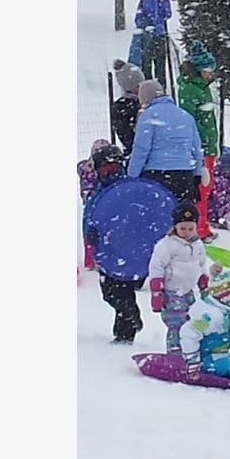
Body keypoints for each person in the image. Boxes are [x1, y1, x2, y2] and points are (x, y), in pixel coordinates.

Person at [82, 143, 146, 343]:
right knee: (110, 293)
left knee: (122, 289)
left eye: (113, 167)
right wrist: (91, 233)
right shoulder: (101, 191)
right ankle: (129, 315)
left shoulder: (128, 188)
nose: (109, 172)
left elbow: (140, 216)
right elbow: (91, 215)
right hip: (107, 251)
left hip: (126, 250)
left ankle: (125, 333)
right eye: (104, 168)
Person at [126, 78, 209, 209]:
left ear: (146, 99)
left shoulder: (148, 116)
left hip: (157, 175)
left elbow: (141, 149)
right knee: (182, 218)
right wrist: (197, 174)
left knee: (158, 216)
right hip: (185, 174)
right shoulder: (186, 116)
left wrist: (132, 176)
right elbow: (197, 149)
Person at [147, 200, 210, 354]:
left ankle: (191, 350)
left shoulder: (198, 244)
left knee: (192, 321)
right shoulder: (166, 245)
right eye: (183, 228)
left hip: (188, 291)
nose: (187, 232)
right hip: (172, 291)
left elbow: (201, 263)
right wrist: (157, 291)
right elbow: (156, 267)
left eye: (191, 228)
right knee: (176, 323)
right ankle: (175, 352)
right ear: (175, 226)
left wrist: (203, 279)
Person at [178, 262, 230, 379]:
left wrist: (214, 277)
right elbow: (188, 331)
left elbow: (213, 292)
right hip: (207, 361)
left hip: (218, 356)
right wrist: (193, 361)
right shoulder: (211, 316)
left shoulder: (223, 309)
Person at [177, 40, 220, 239]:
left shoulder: (204, 87)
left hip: (209, 146)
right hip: (200, 148)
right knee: (201, 189)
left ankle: (202, 224)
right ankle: (198, 228)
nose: (212, 73)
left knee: (207, 187)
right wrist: (199, 146)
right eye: (209, 70)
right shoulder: (190, 89)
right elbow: (189, 121)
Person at [77, 138, 115, 270]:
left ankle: (92, 258)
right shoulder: (92, 170)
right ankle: (93, 257)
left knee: (91, 229)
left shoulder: (88, 168)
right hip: (97, 201)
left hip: (97, 201)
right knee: (94, 229)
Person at [134, 0, 173, 88]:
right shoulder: (145, 0)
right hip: (147, 36)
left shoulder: (165, 0)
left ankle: (161, 86)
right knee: (146, 63)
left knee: (160, 63)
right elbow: (138, 17)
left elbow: (168, 14)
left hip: (160, 35)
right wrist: (146, 23)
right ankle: (148, 86)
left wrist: (163, 2)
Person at [110, 59, 145, 152]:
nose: (142, 88)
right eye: (138, 85)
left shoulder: (148, 100)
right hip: (136, 152)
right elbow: (125, 136)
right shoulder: (121, 107)